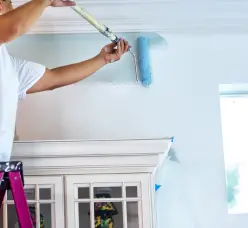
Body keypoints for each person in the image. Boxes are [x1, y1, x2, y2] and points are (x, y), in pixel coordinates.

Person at [0, 0, 129, 161]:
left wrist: (102, 59)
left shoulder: (10, 67)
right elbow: (14, 27)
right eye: (10, 2)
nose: (14, 7)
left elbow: (54, 78)